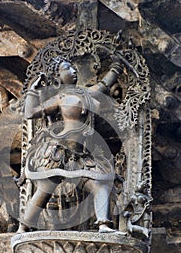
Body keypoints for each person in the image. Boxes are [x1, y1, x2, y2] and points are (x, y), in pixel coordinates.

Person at [17, 57, 123, 233]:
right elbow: (30, 113)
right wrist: (33, 91)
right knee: (45, 189)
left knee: (100, 184)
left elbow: (104, 86)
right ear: (58, 77)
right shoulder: (60, 98)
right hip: (59, 151)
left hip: (82, 154)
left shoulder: (85, 93)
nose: (73, 70)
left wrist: (117, 66)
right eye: (67, 68)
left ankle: (103, 224)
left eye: (73, 67)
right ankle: (23, 227)